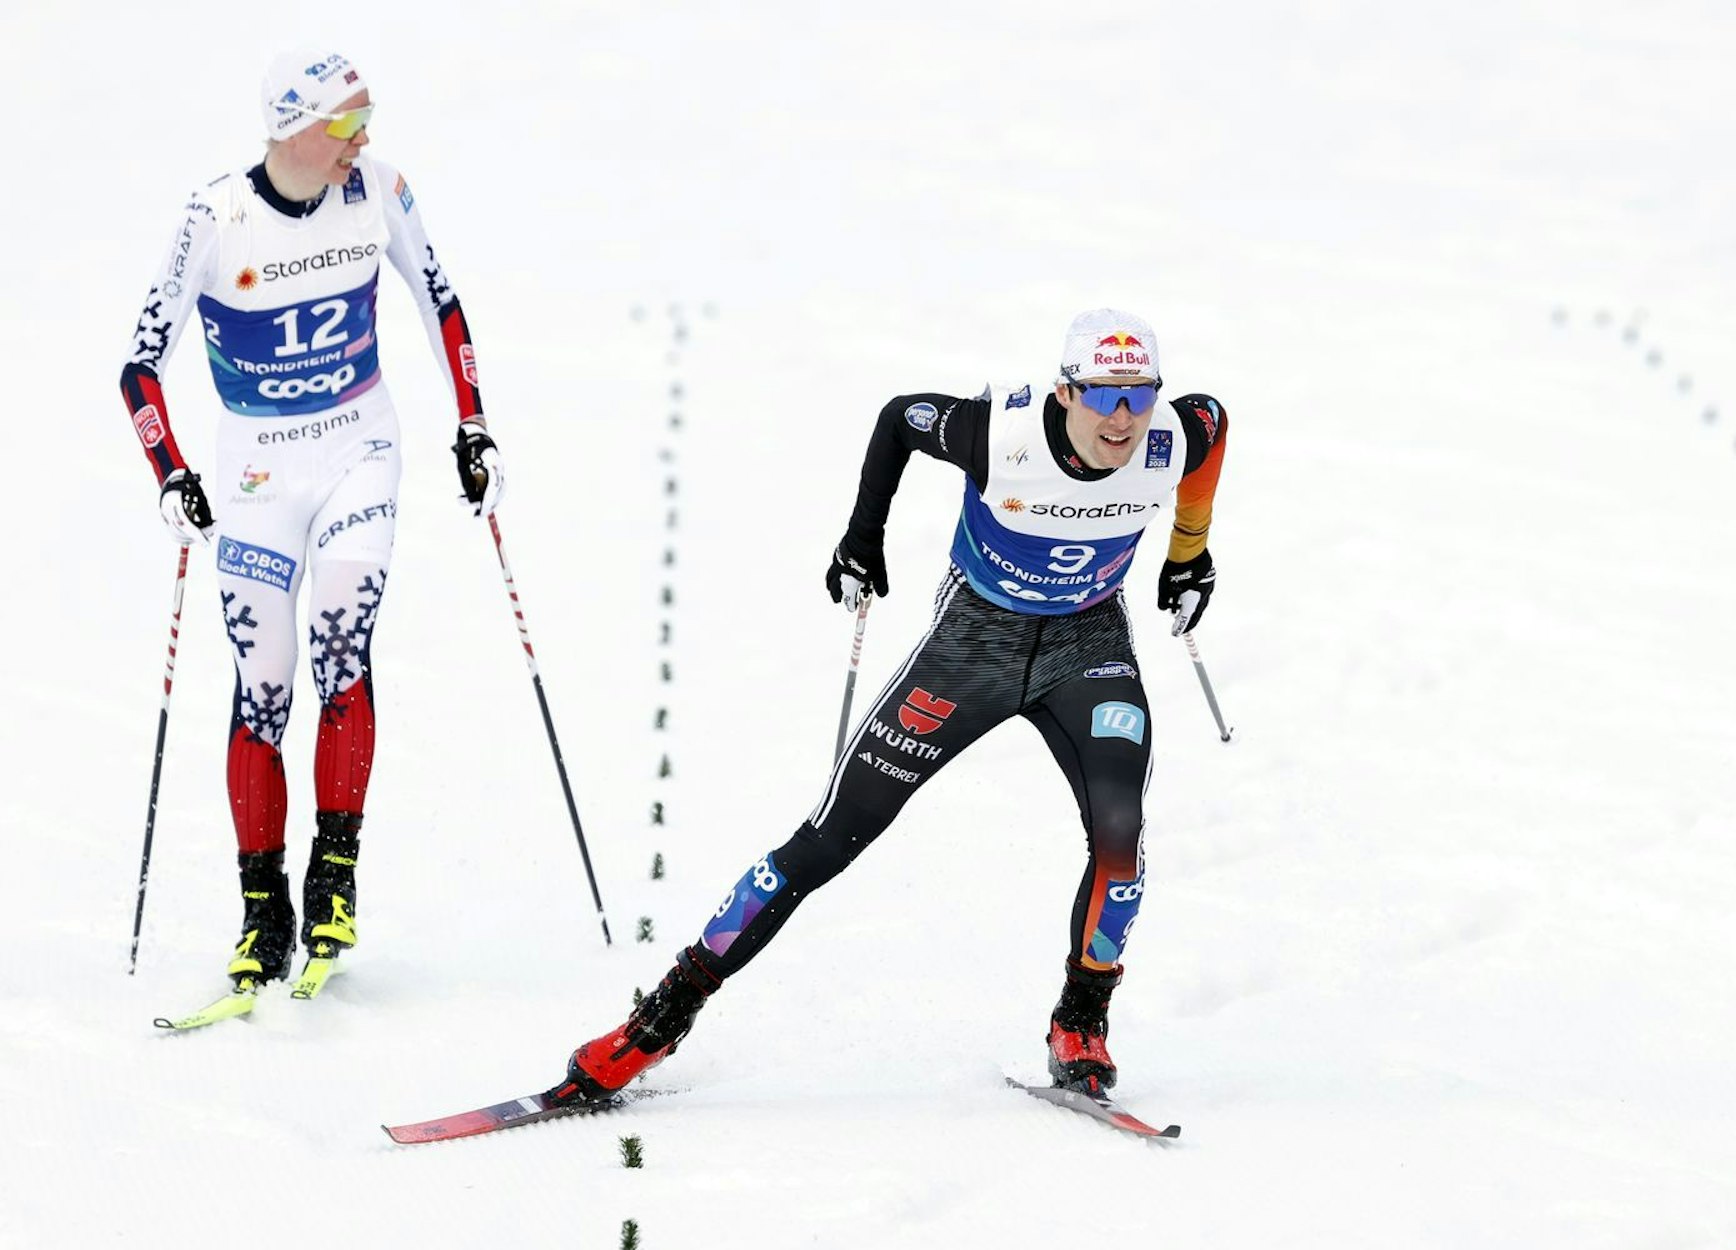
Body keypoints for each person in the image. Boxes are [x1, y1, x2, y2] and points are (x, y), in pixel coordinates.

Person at [548, 308, 1228, 1104]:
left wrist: (1190, 554)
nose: (1122, 418)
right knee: (828, 841)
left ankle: (1081, 1024)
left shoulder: (1175, 434)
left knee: (1121, 840)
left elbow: (1213, 430)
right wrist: (861, 539)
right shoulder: (996, 436)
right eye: (1103, 396)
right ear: (1065, 389)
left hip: (1089, 647)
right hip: (974, 645)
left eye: (1139, 395)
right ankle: (657, 1021)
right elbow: (898, 418)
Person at [119, 49, 505, 991]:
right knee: (266, 685)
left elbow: (440, 301)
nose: (362, 140)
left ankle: (335, 875)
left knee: (343, 637)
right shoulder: (218, 215)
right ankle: (263, 913)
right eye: (346, 125)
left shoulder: (380, 189)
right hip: (256, 471)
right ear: (292, 128)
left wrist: (474, 426)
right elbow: (139, 364)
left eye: (366, 120)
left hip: (358, 449)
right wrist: (170, 474)